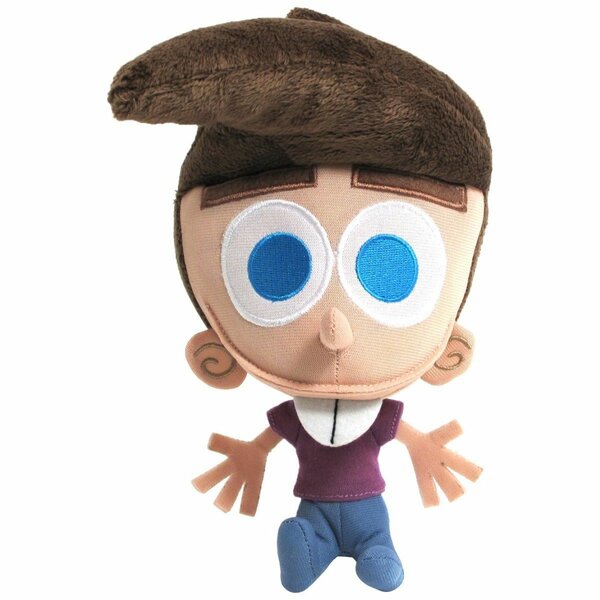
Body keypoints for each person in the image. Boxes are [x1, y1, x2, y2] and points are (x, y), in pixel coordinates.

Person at [108, 6, 491, 593]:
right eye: (274, 268)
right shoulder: (303, 416)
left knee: (379, 545)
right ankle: (309, 545)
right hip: (311, 505)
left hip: (369, 509)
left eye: (393, 269)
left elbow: (401, 433)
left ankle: (373, 552)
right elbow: (273, 437)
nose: (336, 331)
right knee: (310, 534)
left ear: (451, 347)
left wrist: (423, 452)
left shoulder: (374, 418)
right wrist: (251, 455)